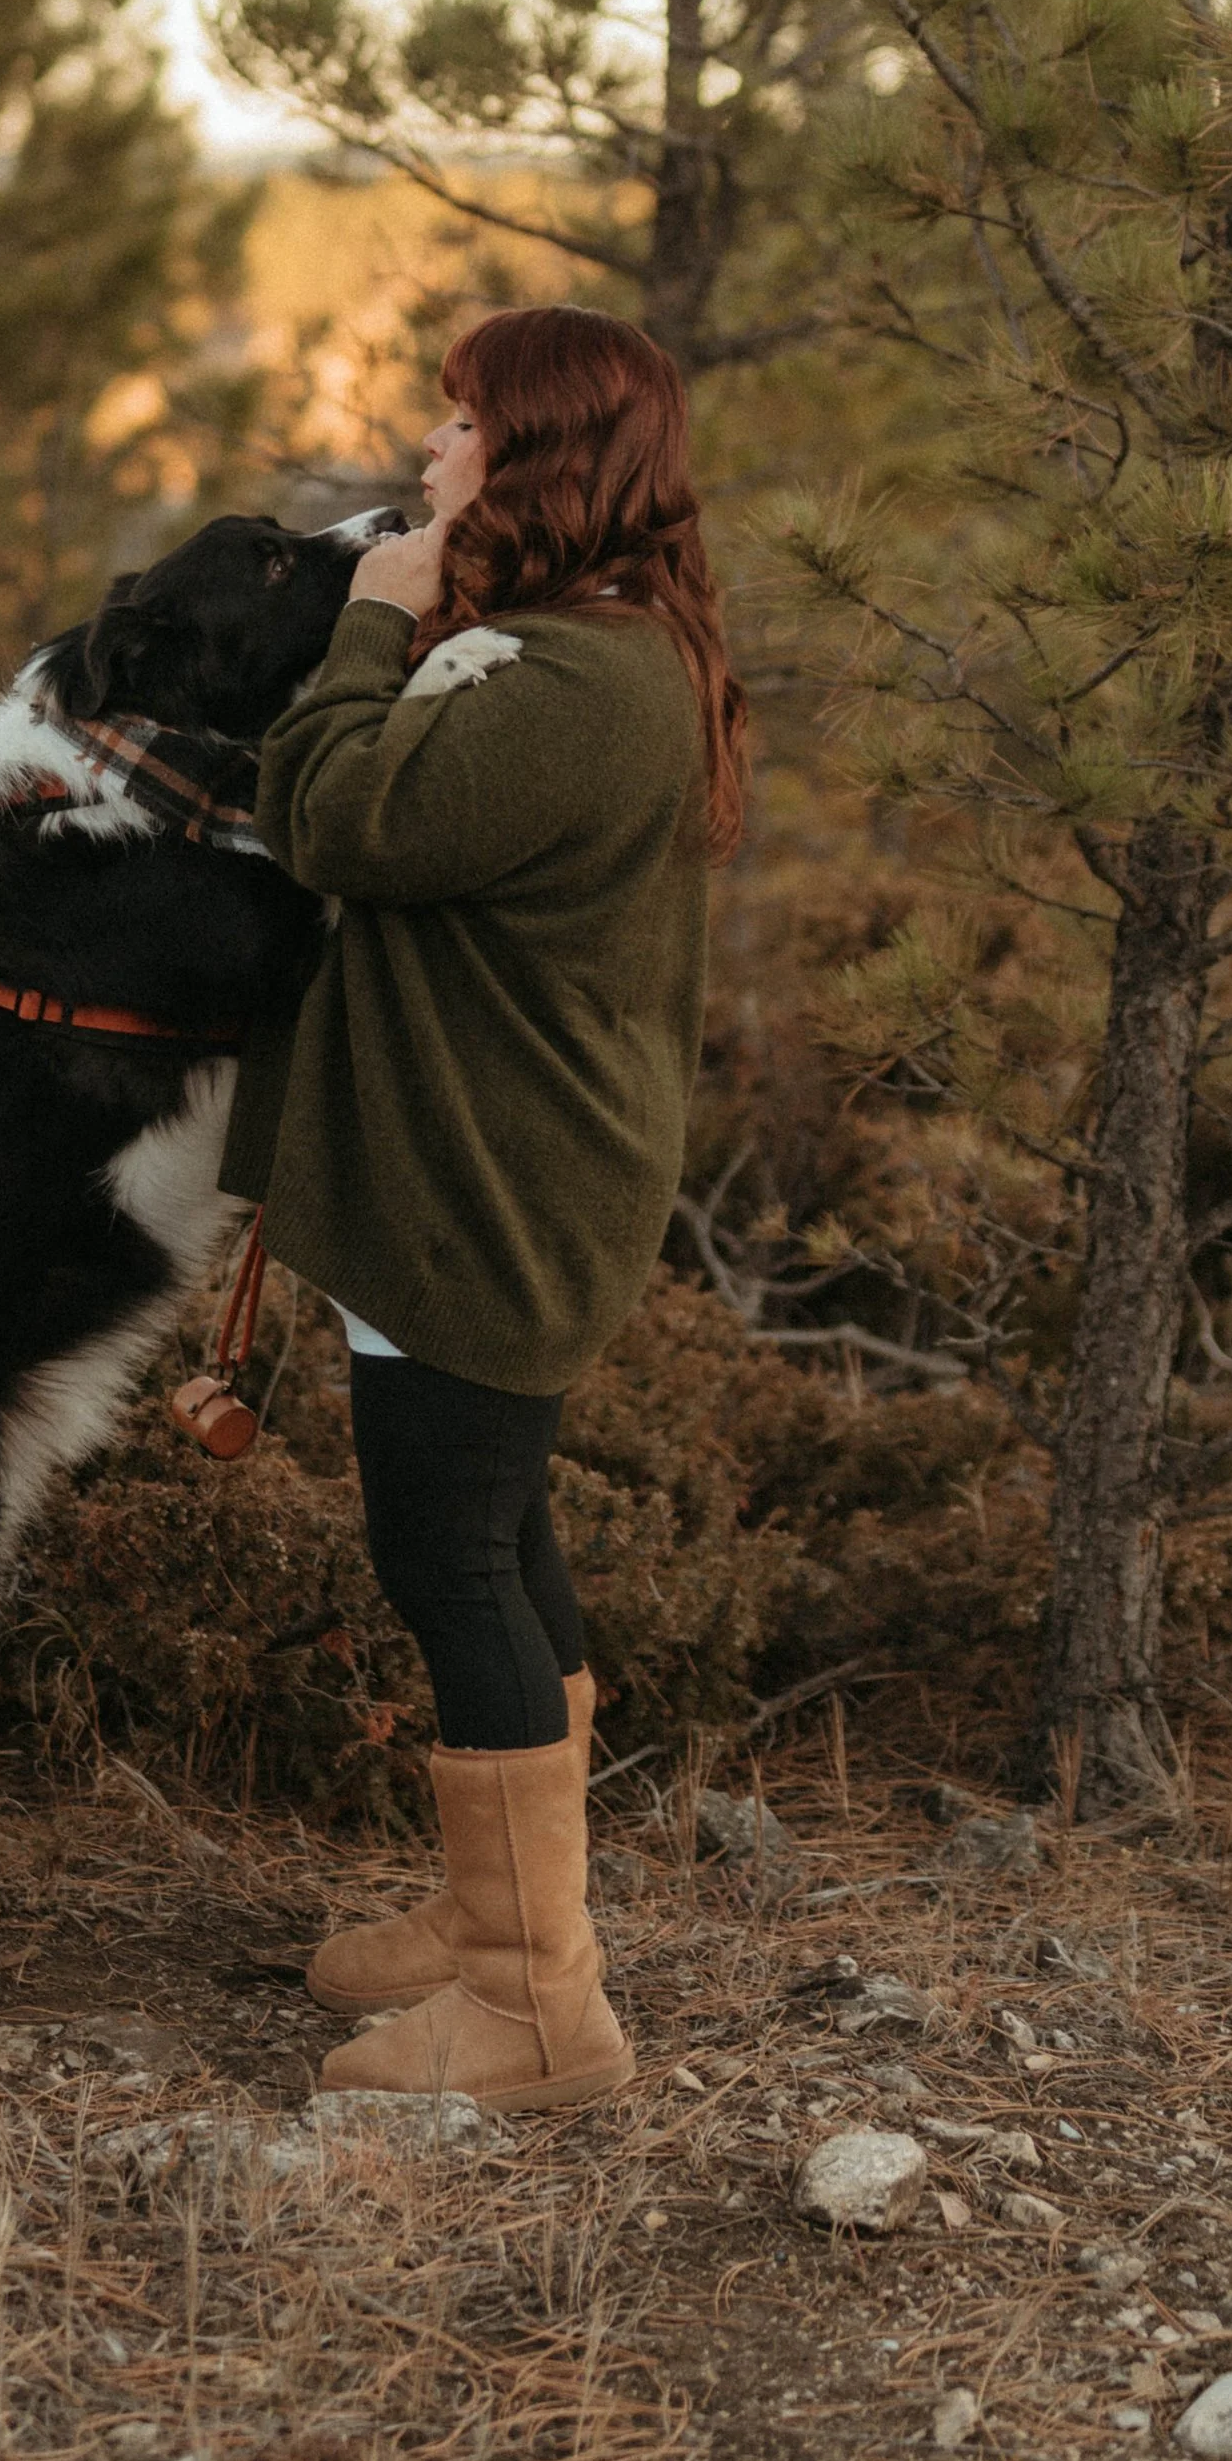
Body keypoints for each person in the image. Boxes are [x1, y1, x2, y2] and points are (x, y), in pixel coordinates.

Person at [220, 302, 746, 2110]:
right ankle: (492, 1914)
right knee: (504, 1540)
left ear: (533, 462)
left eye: (460, 431)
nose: (430, 459)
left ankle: (537, 2007)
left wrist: (370, 621)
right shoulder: (577, 655)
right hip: (504, 1161)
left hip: (489, 1188)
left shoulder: (577, 684)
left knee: (450, 1555)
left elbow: (338, 814)